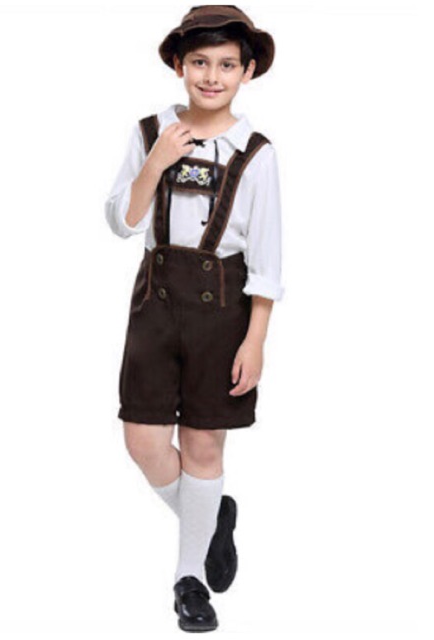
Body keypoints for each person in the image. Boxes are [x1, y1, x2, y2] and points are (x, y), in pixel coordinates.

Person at [104, 5, 284, 632]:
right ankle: (209, 516)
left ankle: (190, 581)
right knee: (142, 439)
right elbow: (123, 222)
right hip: (154, 301)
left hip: (223, 306)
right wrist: (156, 161)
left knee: (205, 443)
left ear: (247, 71)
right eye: (200, 62)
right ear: (179, 65)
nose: (212, 76)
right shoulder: (149, 130)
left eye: (227, 65)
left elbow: (267, 259)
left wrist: (255, 340)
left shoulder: (257, 154)